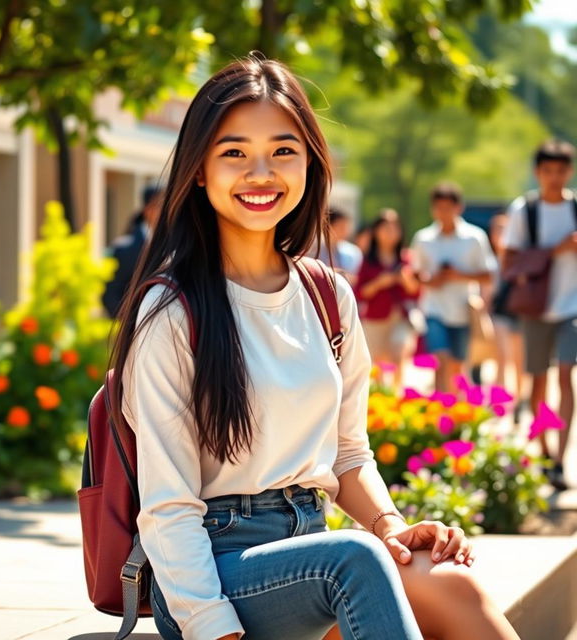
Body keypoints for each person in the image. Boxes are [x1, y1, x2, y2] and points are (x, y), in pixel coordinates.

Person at [109, 56, 519, 640]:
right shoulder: (173, 311)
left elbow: (348, 453)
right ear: (199, 169)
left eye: (283, 150)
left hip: (310, 546)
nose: (261, 172)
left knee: (455, 582)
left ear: (309, 164)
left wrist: (391, 526)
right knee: (355, 559)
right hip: (211, 574)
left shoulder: (327, 295)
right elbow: (169, 506)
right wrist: (212, 625)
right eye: (234, 153)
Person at [502, 139, 577, 491]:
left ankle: (561, 458)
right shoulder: (525, 211)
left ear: (569, 172)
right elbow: (508, 263)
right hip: (535, 308)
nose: (554, 177)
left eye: (561, 170)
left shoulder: (575, 207)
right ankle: (545, 451)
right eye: (548, 170)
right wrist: (553, 251)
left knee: (565, 376)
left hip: (572, 309)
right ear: (538, 172)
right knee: (539, 382)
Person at [410, 183, 497, 392]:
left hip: (463, 311)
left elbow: (488, 275)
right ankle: (440, 411)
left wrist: (459, 275)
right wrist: (432, 280)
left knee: (457, 365)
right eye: (439, 207)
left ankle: (454, 410)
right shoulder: (423, 239)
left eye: (448, 207)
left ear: (459, 207)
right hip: (434, 309)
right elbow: (414, 275)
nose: (443, 213)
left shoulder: (474, 237)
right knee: (440, 360)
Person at [355, 209, 420, 386]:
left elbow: (416, 291)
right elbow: (360, 293)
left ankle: (397, 393)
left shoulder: (406, 259)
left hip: (400, 316)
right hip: (375, 317)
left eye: (395, 228)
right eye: (385, 228)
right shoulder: (368, 260)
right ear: (376, 232)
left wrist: (405, 278)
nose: (391, 232)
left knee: (399, 353)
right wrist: (379, 283)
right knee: (377, 363)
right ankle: (383, 399)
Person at [102, 184, 163, 317]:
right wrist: (130, 326)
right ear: (148, 210)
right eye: (161, 205)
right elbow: (110, 296)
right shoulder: (123, 249)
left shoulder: (172, 244)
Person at [488, 213, 526, 423]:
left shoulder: (521, 258)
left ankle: (520, 400)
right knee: (501, 358)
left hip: (520, 314)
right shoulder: (491, 261)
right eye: (497, 230)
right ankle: (498, 403)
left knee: (519, 361)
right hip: (499, 314)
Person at [319, 209, 363, 285]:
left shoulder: (353, 252)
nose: (345, 230)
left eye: (346, 227)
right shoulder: (314, 250)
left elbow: (355, 278)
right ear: (328, 226)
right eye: (341, 227)